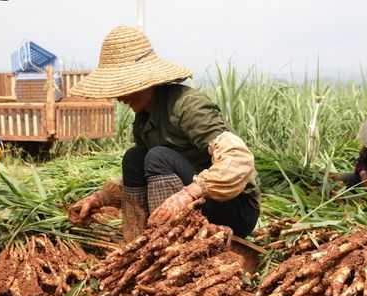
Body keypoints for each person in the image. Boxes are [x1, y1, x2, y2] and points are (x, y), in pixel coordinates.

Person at [69, 26, 260, 242]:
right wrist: (100, 198)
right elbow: (142, 174)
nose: (120, 98)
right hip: (195, 202)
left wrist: (188, 194)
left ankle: (168, 243)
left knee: (158, 156)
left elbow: (239, 159)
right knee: (134, 158)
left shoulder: (187, 106)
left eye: (125, 88)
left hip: (234, 208)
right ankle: (138, 241)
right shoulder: (143, 120)